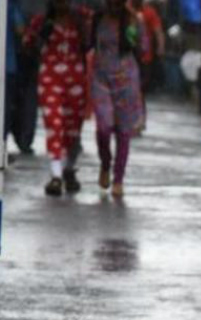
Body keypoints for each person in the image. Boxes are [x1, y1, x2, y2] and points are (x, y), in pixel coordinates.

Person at [25, 0, 91, 196]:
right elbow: (28, 46)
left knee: (73, 129)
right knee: (54, 123)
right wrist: (39, 37)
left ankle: (68, 169)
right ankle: (55, 176)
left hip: (76, 78)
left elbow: (91, 43)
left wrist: (82, 27)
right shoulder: (42, 21)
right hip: (50, 77)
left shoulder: (82, 17)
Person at [90, 0, 145, 198]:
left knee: (123, 130)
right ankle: (105, 163)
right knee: (103, 127)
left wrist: (133, 26)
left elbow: (144, 48)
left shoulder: (133, 20)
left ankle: (118, 178)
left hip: (126, 79)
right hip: (101, 78)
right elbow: (88, 45)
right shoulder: (98, 18)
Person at [5, 0, 30, 156]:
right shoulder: (11, 5)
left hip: (8, 65)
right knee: (6, 108)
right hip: (8, 65)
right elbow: (21, 30)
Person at [134, 0, 166, 99]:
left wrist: (160, 47)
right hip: (132, 54)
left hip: (144, 55)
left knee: (141, 85)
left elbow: (158, 32)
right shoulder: (128, 11)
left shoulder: (149, 12)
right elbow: (158, 32)